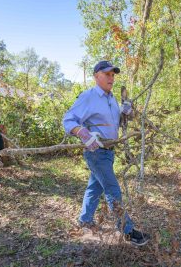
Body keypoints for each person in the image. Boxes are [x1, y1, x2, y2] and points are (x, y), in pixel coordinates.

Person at [63, 61, 150, 246]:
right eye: (107, 74)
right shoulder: (89, 96)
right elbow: (68, 119)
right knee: (112, 190)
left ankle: (85, 219)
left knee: (95, 187)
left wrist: (124, 113)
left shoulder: (111, 98)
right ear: (96, 76)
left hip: (109, 152)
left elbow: (113, 122)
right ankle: (127, 230)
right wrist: (82, 132)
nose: (111, 77)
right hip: (95, 153)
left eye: (113, 74)